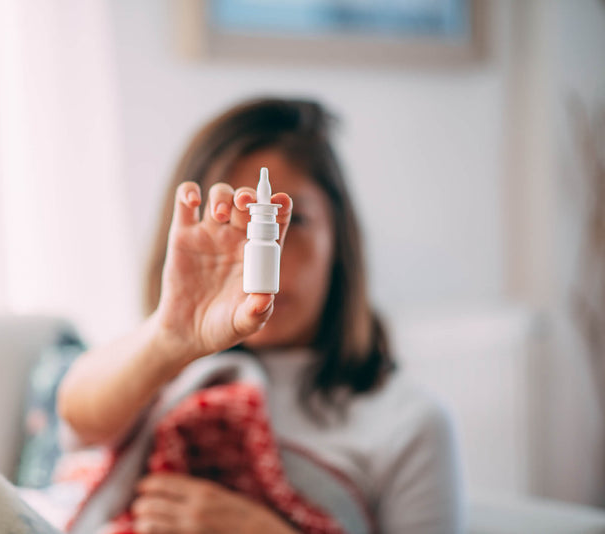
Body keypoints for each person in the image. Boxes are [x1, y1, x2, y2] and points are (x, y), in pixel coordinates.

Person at [57, 97, 463, 534]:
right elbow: (78, 417)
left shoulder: (408, 421)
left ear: (339, 240)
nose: (258, 267)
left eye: (297, 222)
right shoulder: (160, 370)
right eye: (234, 225)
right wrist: (168, 338)